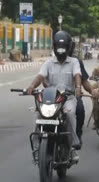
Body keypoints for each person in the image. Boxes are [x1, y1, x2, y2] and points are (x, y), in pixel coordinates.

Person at [27, 31, 82, 161]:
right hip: (51, 100)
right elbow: (40, 76)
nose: (61, 50)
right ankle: (36, 146)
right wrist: (31, 86)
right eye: (58, 47)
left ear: (68, 47)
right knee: (38, 115)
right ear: (54, 47)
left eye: (63, 47)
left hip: (68, 98)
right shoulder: (48, 63)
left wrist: (78, 88)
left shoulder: (74, 62)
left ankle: (73, 146)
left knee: (69, 114)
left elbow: (77, 76)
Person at [69, 41, 93, 145]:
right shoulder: (50, 61)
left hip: (71, 95)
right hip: (55, 97)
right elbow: (42, 77)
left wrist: (93, 91)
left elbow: (83, 80)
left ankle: (77, 134)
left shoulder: (76, 62)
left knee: (79, 108)